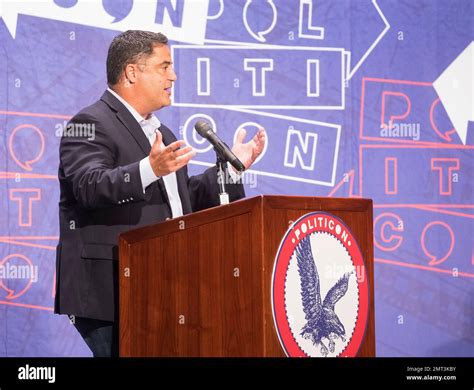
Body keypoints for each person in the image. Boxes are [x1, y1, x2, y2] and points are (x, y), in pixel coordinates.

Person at [54, 30, 266, 357]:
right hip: (110, 290)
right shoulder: (89, 123)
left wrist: (232, 168)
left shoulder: (161, 132)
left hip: (162, 289)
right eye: (164, 66)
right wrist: (149, 168)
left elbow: (181, 202)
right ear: (131, 72)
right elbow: (90, 186)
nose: (174, 75)